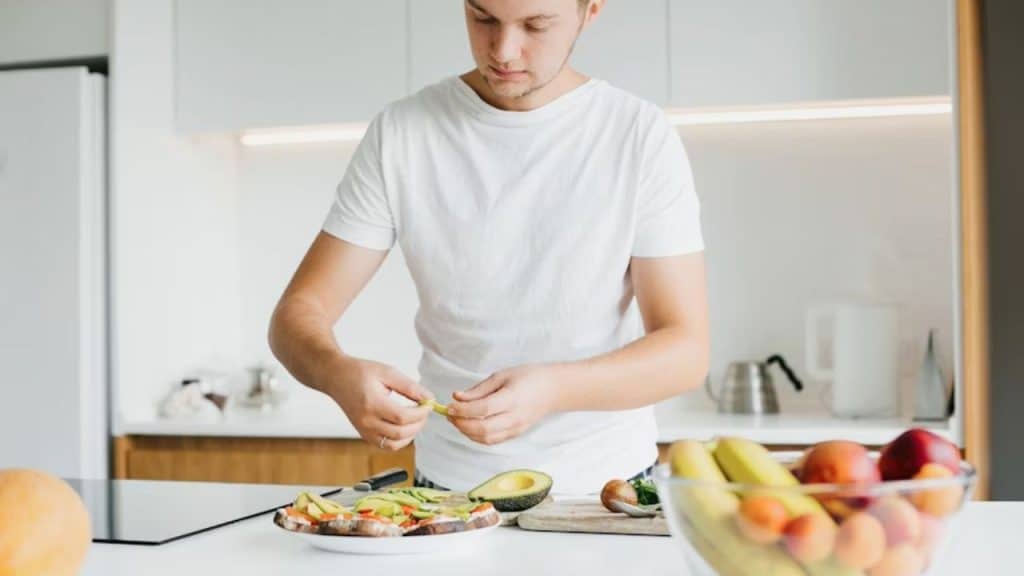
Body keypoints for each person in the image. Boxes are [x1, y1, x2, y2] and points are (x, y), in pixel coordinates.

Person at [268, 0, 709, 495]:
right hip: (447, 491)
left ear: (590, 11)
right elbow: (296, 315)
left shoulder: (637, 135)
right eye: (483, 19)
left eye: (535, 25)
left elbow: (686, 350)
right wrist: (336, 373)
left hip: (607, 489)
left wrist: (553, 389)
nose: (504, 50)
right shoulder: (403, 132)